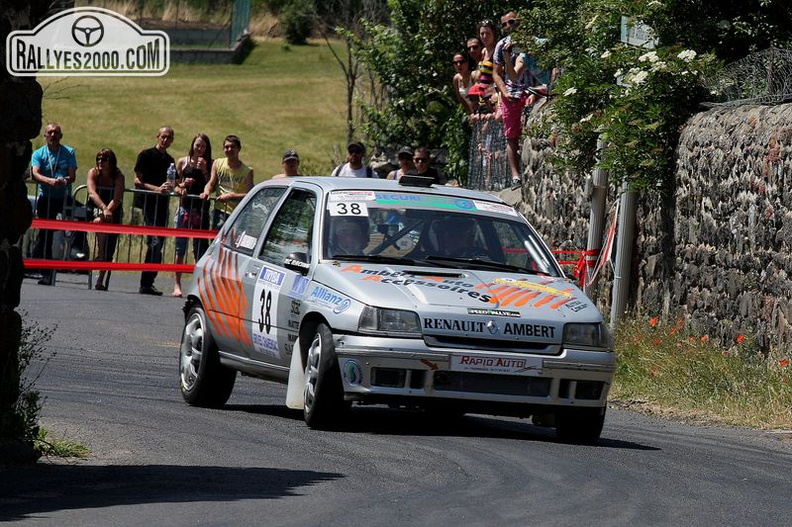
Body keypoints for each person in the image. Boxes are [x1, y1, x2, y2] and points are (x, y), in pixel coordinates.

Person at [30, 122, 77, 286]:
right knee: (46, 236)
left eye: (56, 133)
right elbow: (35, 173)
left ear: (60, 136)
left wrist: (63, 180)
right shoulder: (38, 154)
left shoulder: (69, 152)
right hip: (46, 198)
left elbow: (72, 175)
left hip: (64, 198)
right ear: (45, 135)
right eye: (50, 132)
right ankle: (46, 273)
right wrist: (49, 181)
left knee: (85, 217)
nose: (53, 135)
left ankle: (77, 253)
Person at [134, 125, 175, 296]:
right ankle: (145, 282)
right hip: (148, 204)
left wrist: (181, 187)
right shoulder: (145, 155)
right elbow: (137, 181)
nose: (165, 140)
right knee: (154, 242)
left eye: (168, 138)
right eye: (163, 136)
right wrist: (156, 189)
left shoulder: (170, 161)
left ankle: (149, 282)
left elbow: (175, 184)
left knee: (158, 245)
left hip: (162, 206)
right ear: (157, 136)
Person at [172, 133, 213, 298]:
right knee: (180, 247)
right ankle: (177, 284)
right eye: (198, 145)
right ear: (193, 145)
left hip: (201, 210)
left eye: (203, 146)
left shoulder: (211, 164)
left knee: (200, 250)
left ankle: (198, 287)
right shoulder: (183, 161)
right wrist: (182, 186)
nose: (200, 148)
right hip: (185, 209)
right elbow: (175, 186)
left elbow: (211, 184)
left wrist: (204, 170)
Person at [492, 10, 528, 187]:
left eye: (511, 22)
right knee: (511, 136)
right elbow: (496, 73)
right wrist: (504, 92)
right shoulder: (501, 45)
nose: (508, 26)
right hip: (511, 93)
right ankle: (515, 175)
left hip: (530, 90)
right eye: (504, 24)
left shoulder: (529, 41)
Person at [86, 148, 124, 291]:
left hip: (113, 208)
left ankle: (100, 278)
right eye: (98, 159)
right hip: (97, 206)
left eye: (104, 159)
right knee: (101, 223)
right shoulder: (93, 172)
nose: (100, 162)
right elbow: (91, 192)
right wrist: (103, 209)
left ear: (111, 161)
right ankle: (100, 253)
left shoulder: (118, 176)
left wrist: (108, 210)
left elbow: (117, 197)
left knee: (110, 246)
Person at [201, 134, 254, 230]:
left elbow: (250, 195)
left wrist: (231, 196)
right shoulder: (217, 163)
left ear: (239, 149)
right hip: (219, 211)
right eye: (226, 147)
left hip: (238, 213)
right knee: (216, 241)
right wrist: (206, 192)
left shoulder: (247, 171)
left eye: (232, 147)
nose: (229, 149)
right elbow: (211, 183)